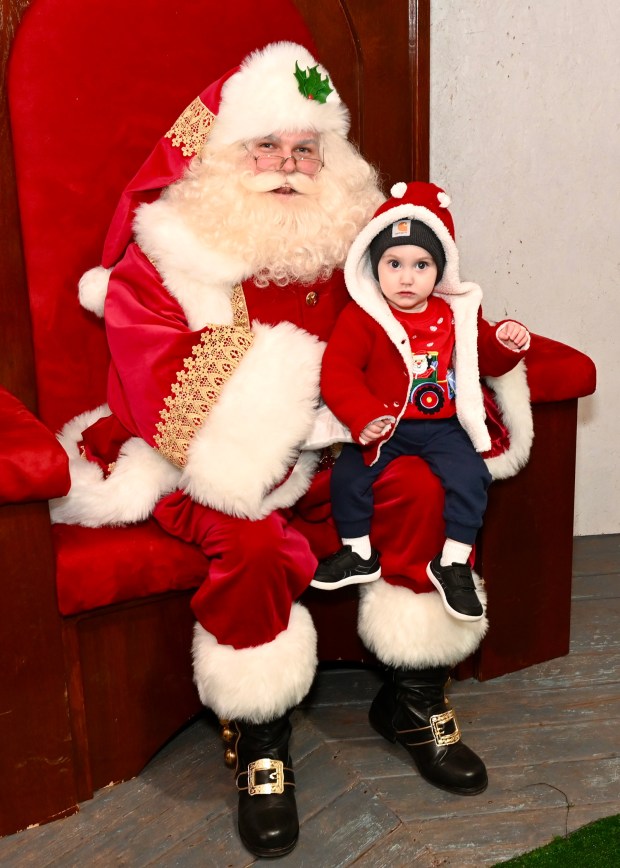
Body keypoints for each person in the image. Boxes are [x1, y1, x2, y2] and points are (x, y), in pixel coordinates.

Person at [53, 42, 534, 859]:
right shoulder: (169, 254)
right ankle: (262, 739)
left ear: (331, 159)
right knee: (252, 546)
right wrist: (290, 404)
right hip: (216, 465)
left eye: (306, 148)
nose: (287, 165)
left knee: (423, 491)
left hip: (353, 448)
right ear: (220, 156)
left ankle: (413, 697)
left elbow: (428, 324)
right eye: (266, 146)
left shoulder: (360, 247)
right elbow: (154, 375)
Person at [312, 181, 530, 625]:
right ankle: (358, 552)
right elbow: (338, 372)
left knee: (471, 478)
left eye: (421, 265)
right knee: (349, 477)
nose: (407, 278)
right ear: (374, 266)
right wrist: (363, 416)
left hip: (442, 426)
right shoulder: (364, 317)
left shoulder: (455, 312)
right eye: (394, 264)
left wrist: (505, 342)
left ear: (440, 270)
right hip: (385, 424)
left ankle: (453, 562)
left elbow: (482, 356)